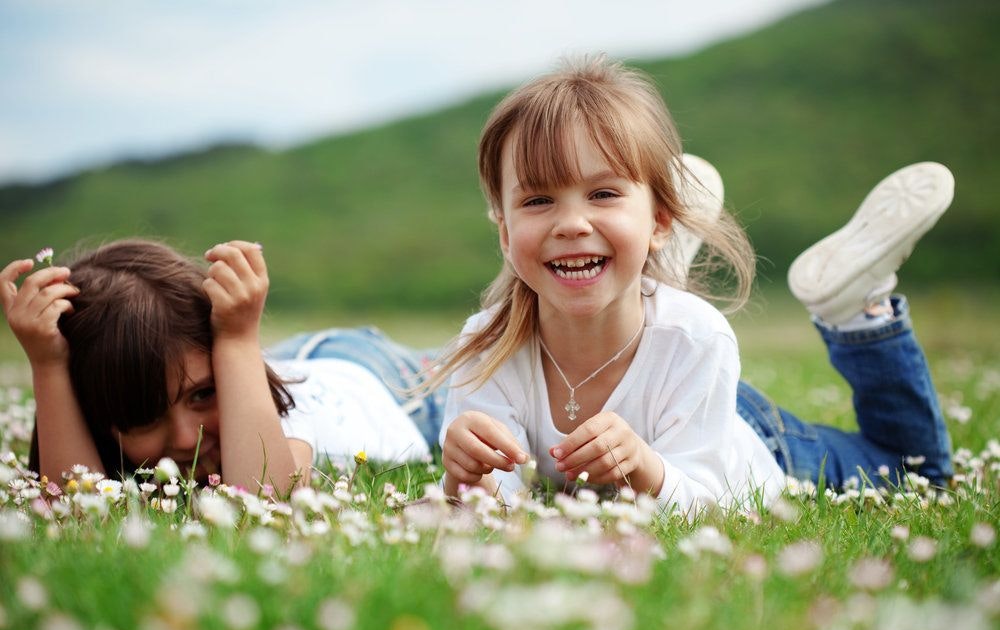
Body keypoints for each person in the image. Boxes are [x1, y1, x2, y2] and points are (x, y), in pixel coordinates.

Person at [432, 56, 954, 513]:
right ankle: (644, 273)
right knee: (668, 341)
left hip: (746, 438)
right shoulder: (488, 346)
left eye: (605, 194)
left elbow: (709, 499)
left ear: (661, 220)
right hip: (674, 374)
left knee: (917, 474)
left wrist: (645, 468)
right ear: (505, 234)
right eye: (537, 201)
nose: (570, 223)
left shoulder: (700, 338)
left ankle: (854, 308)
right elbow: (490, 506)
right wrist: (464, 479)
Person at [0, 239, 442, 494]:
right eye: (143, 416)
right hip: (289, 358)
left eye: (202, 394)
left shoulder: (284, 419)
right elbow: (74, 506)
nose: (183, 439)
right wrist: (48, 364)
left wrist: (236, 336)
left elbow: (261, 501)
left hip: (382, 382)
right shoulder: (197, 374)